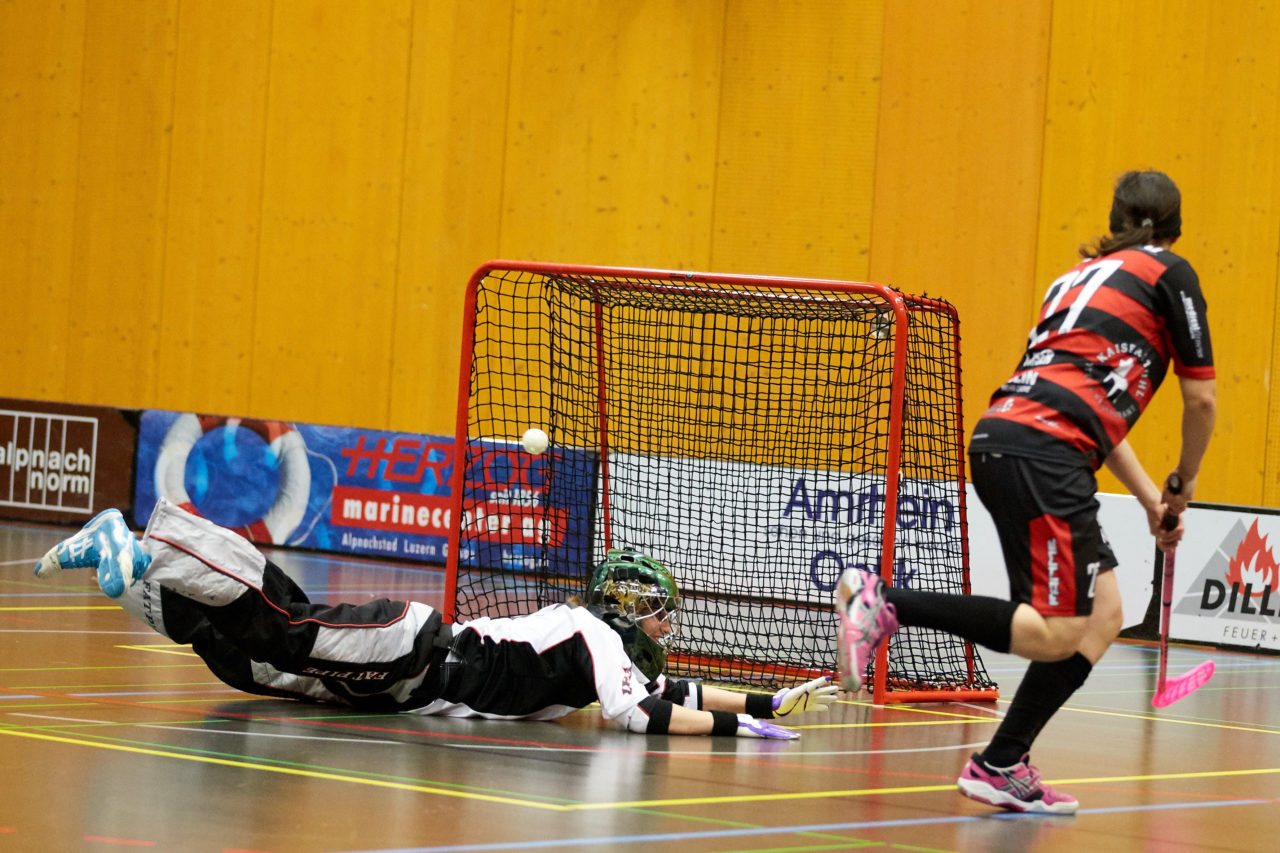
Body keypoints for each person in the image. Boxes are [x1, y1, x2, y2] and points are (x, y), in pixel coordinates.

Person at [836, 169, 1216, 815]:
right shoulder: (1170, 273)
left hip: (1007, 437)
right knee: (1055, 633)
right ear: (1174, 226)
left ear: (1116, 218)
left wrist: (1156, 499)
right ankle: (882, 601)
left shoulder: (1071, 280)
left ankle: (1000, 762)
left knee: (1104, 614)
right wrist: (1186, 483)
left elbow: (1090, 406)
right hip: (1046, 455)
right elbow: (1201, 398)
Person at [36, 498, 836, 738]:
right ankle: (154, 542)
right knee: (283, 621)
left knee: (252, 657)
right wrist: (745, 736)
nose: (666, 626)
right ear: (626, 609)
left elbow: (682, 690)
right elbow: (652, 715)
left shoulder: (604, 649)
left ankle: (131, 572)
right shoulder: (597, 637)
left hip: (402, 683)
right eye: (658, 613)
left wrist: (766, 703)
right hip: (413, 648)